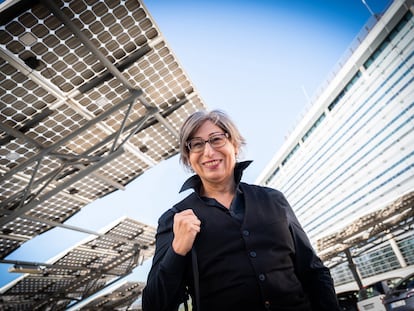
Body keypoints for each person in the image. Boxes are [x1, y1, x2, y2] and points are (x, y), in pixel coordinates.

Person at [142, 109, 340, 311]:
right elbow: (154, 305)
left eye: (216, 139)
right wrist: (177, 250)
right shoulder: (175, 219)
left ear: (234, 145)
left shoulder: (274, 199)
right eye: (197, 144)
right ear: (188, 158)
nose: (208, 152)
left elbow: (314, 271)